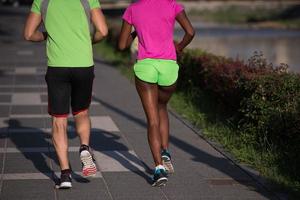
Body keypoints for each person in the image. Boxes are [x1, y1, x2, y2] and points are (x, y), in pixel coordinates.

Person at [24, 0, 108, 189]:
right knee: (82, 112)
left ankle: (65, 174)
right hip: (84, 65)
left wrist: (45, 35)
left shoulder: (42, 1)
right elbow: (103, 31)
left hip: (57, 67)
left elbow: (28, 34)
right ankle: (85, 147)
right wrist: (88, 40)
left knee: (59, 119)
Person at [118, 0, 194, 187]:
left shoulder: (133, 9)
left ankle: (159, 168)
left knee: (152, 119)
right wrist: (179, 47)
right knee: (162, 108)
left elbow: (121, 45)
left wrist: (136, 31)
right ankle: (165, 150)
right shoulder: (172, 5)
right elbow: (190, 32)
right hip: (168, 66)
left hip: (146, 67)